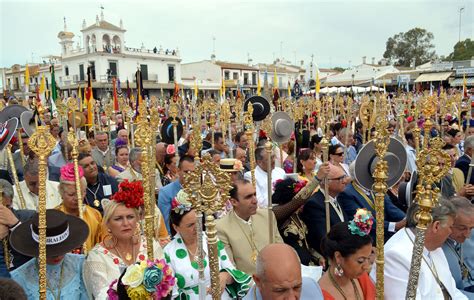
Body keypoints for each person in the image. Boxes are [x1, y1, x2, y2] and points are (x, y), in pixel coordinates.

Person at [83, 180, 164, 299]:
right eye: (118, 219)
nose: (126, 223)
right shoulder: (97, 257)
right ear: (108, 224)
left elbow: (166, 283)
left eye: (130, 217)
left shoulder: (151, 245)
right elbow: (102, 295)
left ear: (137, 219)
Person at [164, 190, 251, 299]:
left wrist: (225, 276)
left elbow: (230, 270)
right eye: (190, 225)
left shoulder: (212, 239)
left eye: (198, 222)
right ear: (176, 227)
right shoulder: (169, 251)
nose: (197, 228)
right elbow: (171, 290)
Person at [377, 199, 467, 299]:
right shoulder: (396, 255)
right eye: (450, 227)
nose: (450, 232)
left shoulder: (434, 246)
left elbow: (453, 292)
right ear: (436, 226)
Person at [10, 209, 89, 299]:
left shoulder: (82, 265)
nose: (57, 256)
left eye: (60, 250)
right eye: (50, 252)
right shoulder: (19, 277)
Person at [216, 179, 283, 275]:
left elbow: (280, 249)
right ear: (234, 202)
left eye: (254, 194)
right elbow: (231, 268)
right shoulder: (221, 227)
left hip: (276, 276)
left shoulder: (267, 216)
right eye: (248, 197)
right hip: (247, 284)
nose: (255, 200)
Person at [338, 163, 406, 243]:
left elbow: (391, 208)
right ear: (358, 176)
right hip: (367, 240)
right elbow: (364, 220)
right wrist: (394, 226)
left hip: (386, 235)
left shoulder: (375, 187)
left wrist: (405, 219)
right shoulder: (347, 193)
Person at [318, 209, 375, 299]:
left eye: (368, 258)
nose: (366, 266)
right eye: (361, 261)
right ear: (338, 257)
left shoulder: (362, 278)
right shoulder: (321, 295)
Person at [244, 243, 324, 300]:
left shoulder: (312, 288)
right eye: (280, 290)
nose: (291, 298)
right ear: (258, 281)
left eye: (297, 287)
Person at [272, 178, 323, 266]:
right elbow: (297, 201)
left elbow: (306, 244)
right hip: (292, 266)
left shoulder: (299, 214)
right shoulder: (277, 214)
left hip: (310, 266)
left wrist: (318, 257)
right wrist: (318, 178)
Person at [301, 164, 349, 255]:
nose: (345, 181)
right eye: (340, 178)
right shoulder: (314, 204)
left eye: (344, 177)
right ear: (326, 182)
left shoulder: (338, 198)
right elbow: (323, 237)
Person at [55, 163, 103, 251]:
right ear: (61, 193)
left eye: (80, 193)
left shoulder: (95, 215)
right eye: (71, 194)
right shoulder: (54, 216)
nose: (77, 198)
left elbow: (101, 244)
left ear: (85, 192)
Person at [0, 179, 35, 277]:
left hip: (26, 277)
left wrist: (15, 225)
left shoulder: (28, 217)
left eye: (6, 207)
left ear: (11, 201)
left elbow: (40, 248)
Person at [442, 197, 474, 297]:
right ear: (449, 223)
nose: (467, 235)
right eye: (462, 228)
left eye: (471, 228)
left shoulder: (471, 232)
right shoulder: (437, 245)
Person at [158, 155, 195, 233]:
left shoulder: (200, 190)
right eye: (186, 172)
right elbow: (166, 221)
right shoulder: (165, 192)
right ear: (178, 171)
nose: (190, 176)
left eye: (193, 172)